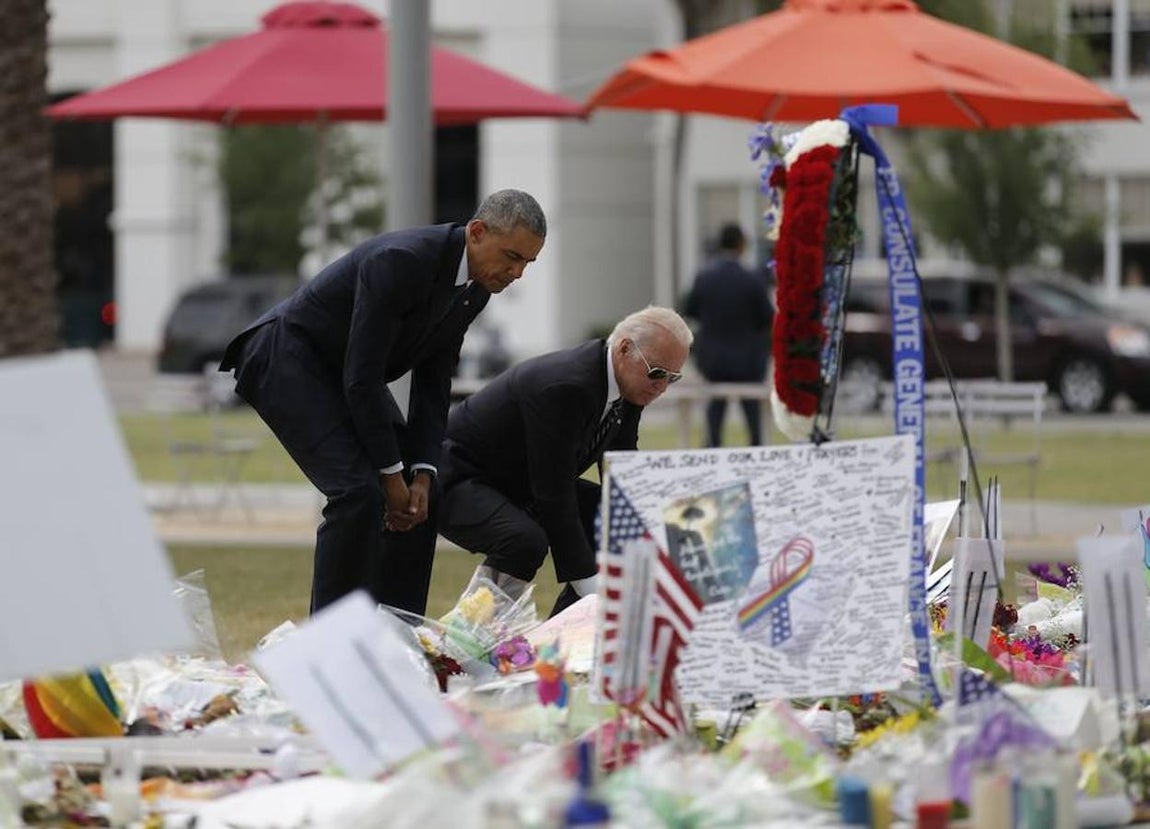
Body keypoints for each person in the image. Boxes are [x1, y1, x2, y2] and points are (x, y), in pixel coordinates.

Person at [219, 189, 547, 614]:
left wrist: (422, 474)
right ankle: (329, 646)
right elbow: (363, 378)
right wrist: (391, 477)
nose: (517, 272)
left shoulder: (475, 289)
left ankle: (397, 637)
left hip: (345, 374)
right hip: (286, 358)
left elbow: (433, 384)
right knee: (359, 493)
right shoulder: (400, 260)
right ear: (478, 231)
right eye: (512, 256)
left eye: (527, 263)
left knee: (420, 499)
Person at [437, 306, 693, 617]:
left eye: (672, 377)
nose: (662, 387)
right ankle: (464, 640)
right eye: (657, 373)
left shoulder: (628, 384)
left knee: (614, 518)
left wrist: (655, 524)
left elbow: (621, 469)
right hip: (457, 474)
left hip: (520, 480)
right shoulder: (566, 387)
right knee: (523, 540)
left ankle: (570, 642)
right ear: (625, 348)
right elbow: (554, 496)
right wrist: (589, 586)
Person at [683, 223, 773, 447]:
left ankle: (712, 452)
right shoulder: (752, 279)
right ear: (741, 244)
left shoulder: (704, 277)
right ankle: (755, 453)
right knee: (753, 419)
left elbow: (689, 310)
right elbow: (767, 317)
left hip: (713, 361)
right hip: (748, 362)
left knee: (714, 413)